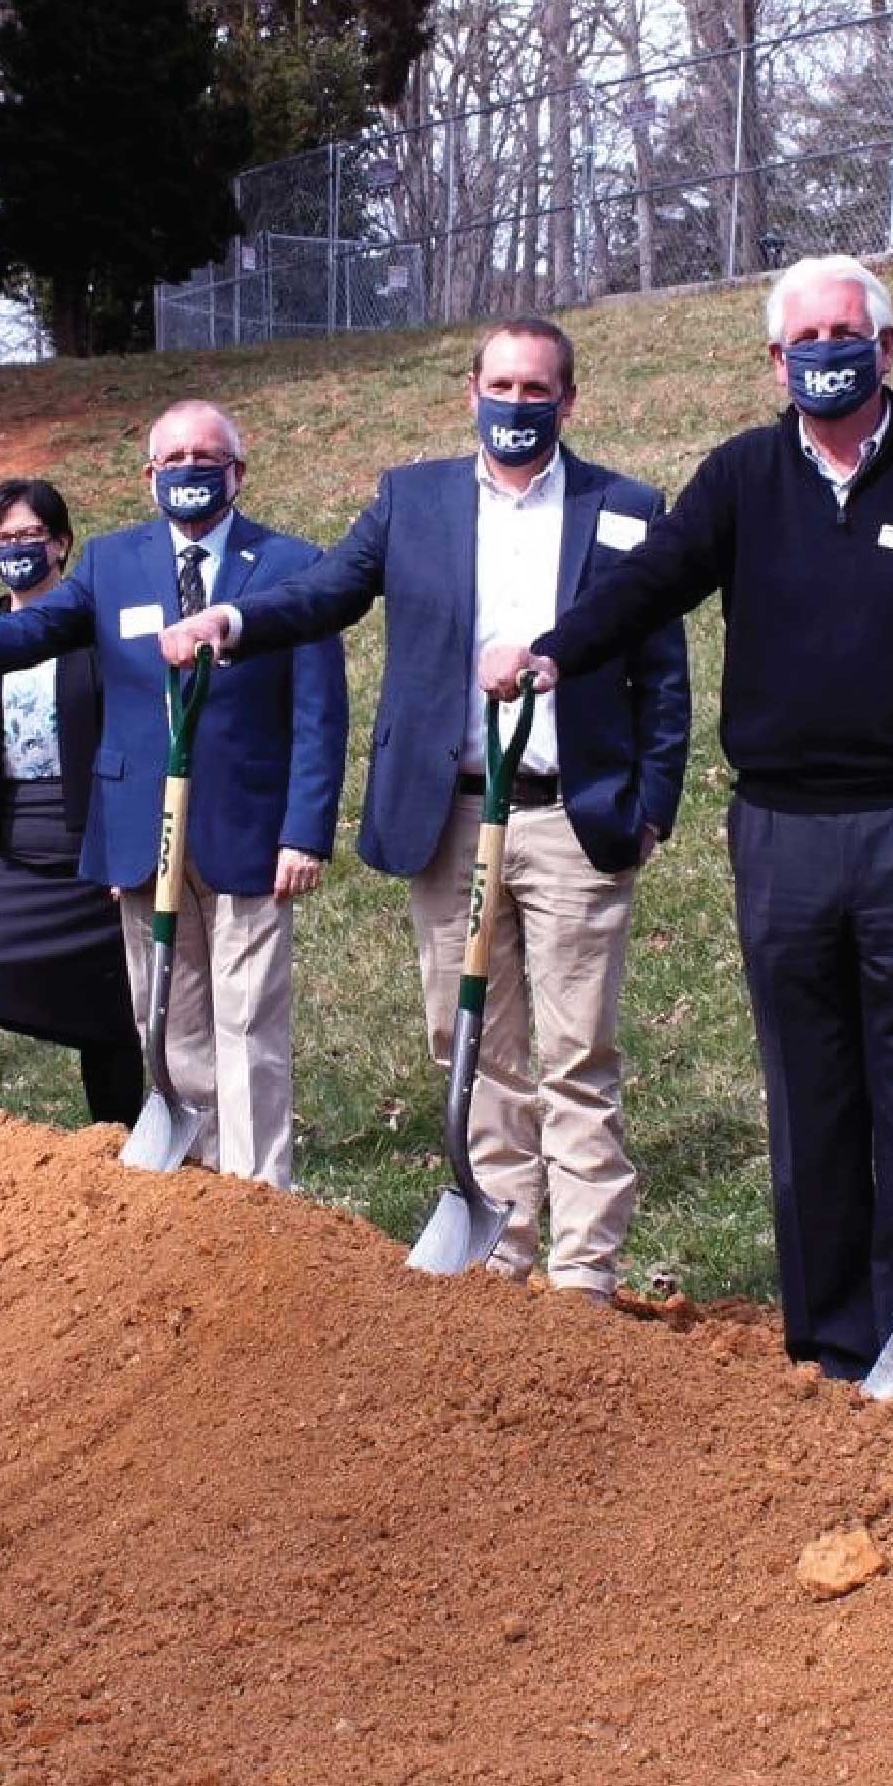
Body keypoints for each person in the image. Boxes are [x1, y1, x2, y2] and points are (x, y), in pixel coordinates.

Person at [482, 255, 893, 1378]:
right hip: (781, 834)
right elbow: (654, 584)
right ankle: (830, 1344)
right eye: (805, 340)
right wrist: (550, 653)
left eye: (848, 333)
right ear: (775, 362)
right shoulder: (742, 476)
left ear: (884, 350)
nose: (827, 354)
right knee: (807, 1089)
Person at [164, 318, 692, 1295]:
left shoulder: (624, 508)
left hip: (572, 815)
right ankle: (501, 1254)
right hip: (448, 818)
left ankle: (582, 1277)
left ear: (568, 401)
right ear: (469, 390)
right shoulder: (413, 501)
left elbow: (662, 671)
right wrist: (233, 618)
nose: (517, 405)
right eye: (500, 384)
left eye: (537, 390)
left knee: (577, 1054)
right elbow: (324, 591)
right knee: (473, 1050)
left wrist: (652, 802)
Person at [0, 402, 345, 1188]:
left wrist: (306, 831)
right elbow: (28, 633)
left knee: (248, 1024)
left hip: (250, 829)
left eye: (207, 454)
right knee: (170, 1022)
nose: (190, 468)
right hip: (143, 831)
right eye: (173, 457)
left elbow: (320, 711)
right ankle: (206, 1185)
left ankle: (261, 1202)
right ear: (149, 477)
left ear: (238, 471)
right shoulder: (113, 565)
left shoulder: (292, 566)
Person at [0, 478, 148, 1124]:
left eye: (30, 535)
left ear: (62, 543)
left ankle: (115, 1145)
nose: (16, 548)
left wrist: (127, 844)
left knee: (107, 1013)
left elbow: (139, 729)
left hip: (88, 844)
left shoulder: (100, 630)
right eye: (2, 537)